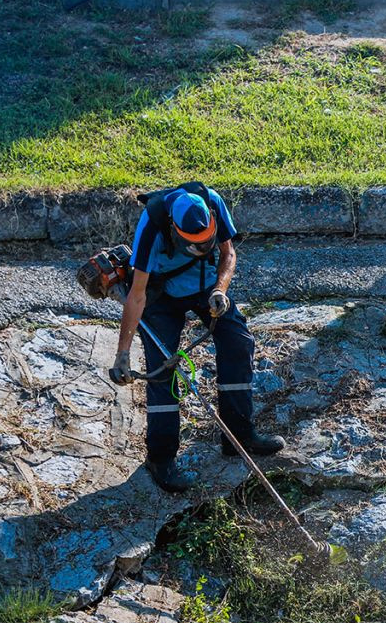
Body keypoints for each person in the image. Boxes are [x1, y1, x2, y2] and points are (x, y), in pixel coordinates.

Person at [110, 183, 284, 493]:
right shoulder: (151, 226)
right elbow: (136, 296)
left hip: (205, 286)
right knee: (163, 369)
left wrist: (220, 290)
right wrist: (122, 353)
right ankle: (161, 458)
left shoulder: (212, 200)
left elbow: (228, 253)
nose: (204, 246)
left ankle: (238, 433)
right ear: (175, 231)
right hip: (160, 296)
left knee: (237, 340)